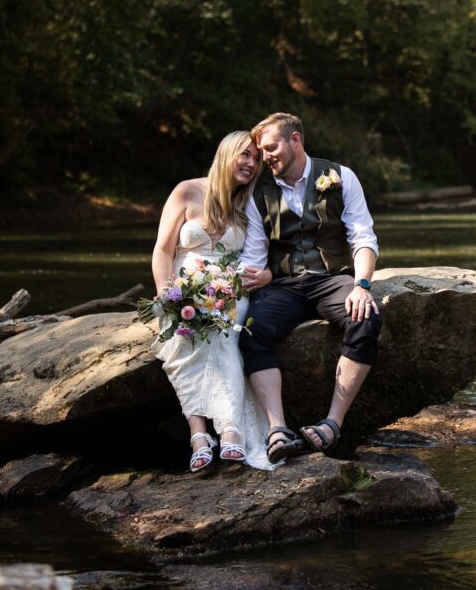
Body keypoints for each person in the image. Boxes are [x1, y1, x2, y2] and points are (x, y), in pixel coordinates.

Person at [238, 112, 382, 463]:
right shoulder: (260, 191)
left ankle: (333, 423)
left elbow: (362, 237)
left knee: (366, 319)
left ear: (296, 140)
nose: (266, 156)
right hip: (285, 286)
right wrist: (250, 276)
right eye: (262, 151)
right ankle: (277, 429)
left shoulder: (340, 176)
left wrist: (362, 285)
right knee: (252, 331)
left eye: (271, 147)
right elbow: (256, 253)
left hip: (332, 279)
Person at [150, 131, 276, 473]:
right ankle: (199, 436)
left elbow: (268, 255)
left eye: (256, 159)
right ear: (226, 154)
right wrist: (166, 293)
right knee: (184, 334)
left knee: (226, 334)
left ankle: (231, 428)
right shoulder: (186, 191)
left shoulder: (249, 203)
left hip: (233, 288)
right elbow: (163, 249)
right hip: (183, 285)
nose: (251, 164)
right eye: (245, 155)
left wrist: (265, 276)